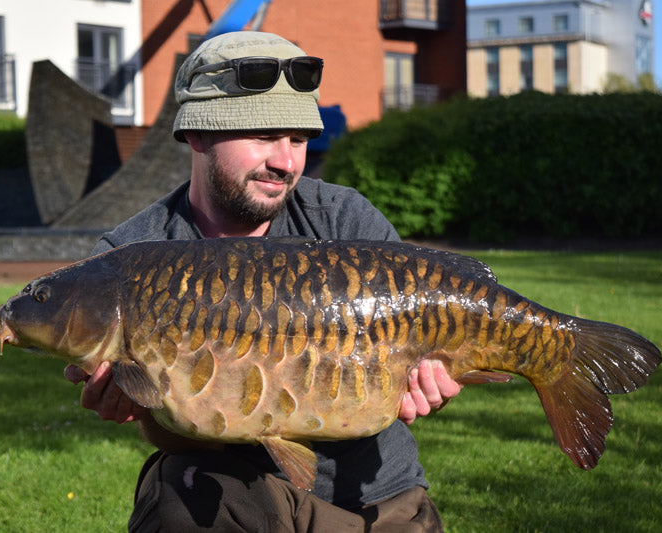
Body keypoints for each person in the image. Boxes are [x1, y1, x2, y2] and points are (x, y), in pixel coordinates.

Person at [64, 31, 461, 532]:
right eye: (262, 136)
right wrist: (144, 408)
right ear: (197, 135)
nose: (286, 162)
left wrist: (433, 377)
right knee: (179, 494)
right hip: (238, 492)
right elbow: (180, 428)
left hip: (374, 497)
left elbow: (428, 337)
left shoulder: (344, 223)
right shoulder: (130, 260)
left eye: (297, 139)